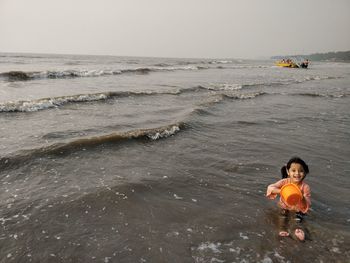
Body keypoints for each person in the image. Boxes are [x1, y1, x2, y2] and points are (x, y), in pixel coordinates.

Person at [266, 157, 311, 241]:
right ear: (288, 171)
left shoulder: (305, 187)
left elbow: (307, 204)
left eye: (301, 171)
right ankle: (282, 229)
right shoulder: (284, 182)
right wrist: (281, 191)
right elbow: (270, 188)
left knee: (298, 218)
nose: (297, 173)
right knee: (282, 216)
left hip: (298, 208)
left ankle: (298, 229)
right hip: (284, 206)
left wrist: (302, 197)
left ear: (305, 172)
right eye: (293, 170)